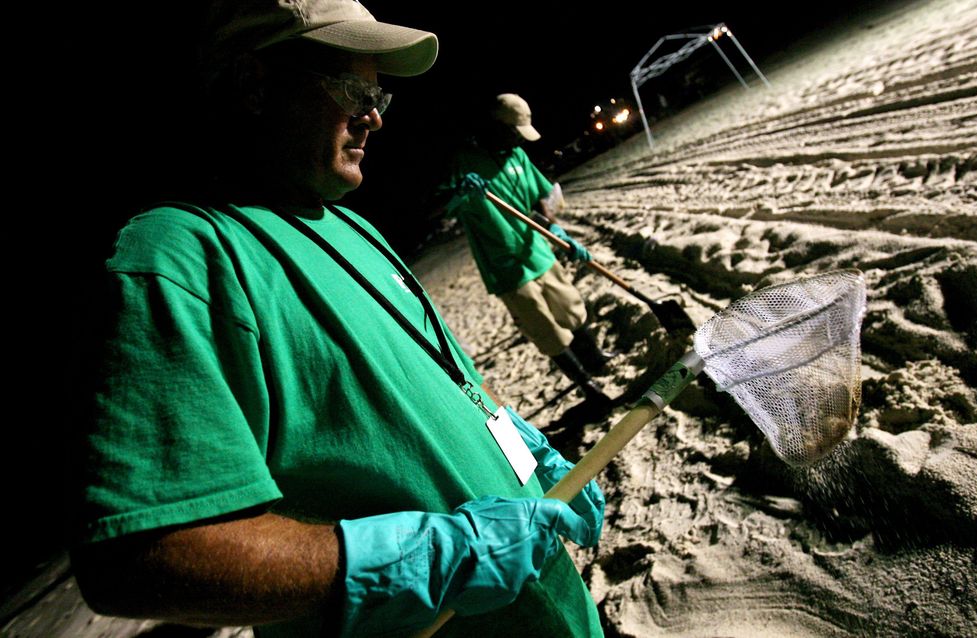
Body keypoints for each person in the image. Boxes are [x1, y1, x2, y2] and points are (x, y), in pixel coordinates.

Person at [68, 2, 605, 636]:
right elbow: (140, 557)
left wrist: (521, 447)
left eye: (379, 94)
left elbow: (453, 385)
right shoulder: (179, 257)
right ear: (253, 84)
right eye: (354, 88)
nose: (374, 114)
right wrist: (425, 558)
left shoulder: (350, 223)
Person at [440, 93, 615, 414]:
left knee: (571, 309)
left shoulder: (518, 156)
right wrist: (458, 192)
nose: (518, 138)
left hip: (538, 251)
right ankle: (589, 387)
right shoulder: (463, 161)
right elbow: (442, 210)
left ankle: (595, 357)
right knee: (546, 330)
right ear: (495, 126)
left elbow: (544, 196)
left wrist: (552, 225)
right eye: (513, 131)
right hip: (507, 267)